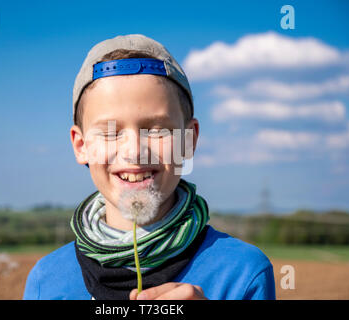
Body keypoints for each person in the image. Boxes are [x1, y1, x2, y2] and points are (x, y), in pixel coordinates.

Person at [23, 34, 276, 300]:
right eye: (110, 132)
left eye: (157, 130)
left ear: (189, 140)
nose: (134, 151)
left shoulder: (244, 274)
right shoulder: (46, 281)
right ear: (80, 145)